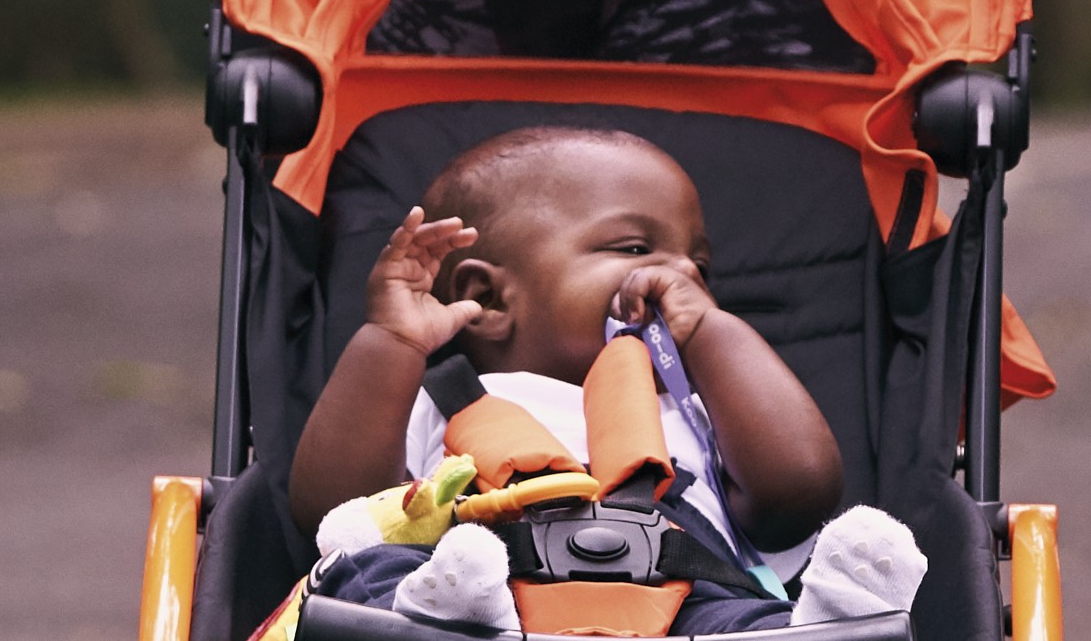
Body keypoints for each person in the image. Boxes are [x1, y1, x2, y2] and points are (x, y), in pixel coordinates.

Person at [286, 126, 925, 631]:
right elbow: (335, 513)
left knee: (752, 622)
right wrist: (390, 343)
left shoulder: (701, 415)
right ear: (486, 296)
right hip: (475, 590)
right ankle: (447, 624)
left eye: (699, 266)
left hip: (684, 607)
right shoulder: (433, 403)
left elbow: (802, 489)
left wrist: (711, 330)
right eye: (633, 248)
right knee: (366, 577)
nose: (680, 273)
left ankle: (827, 626)